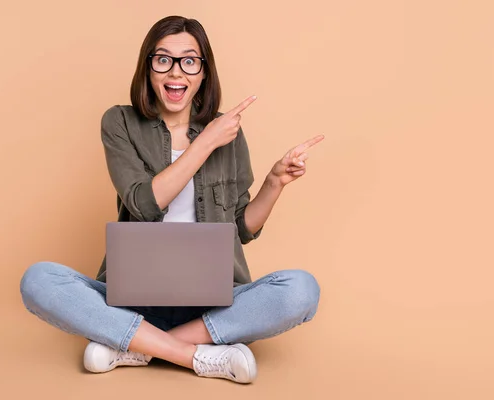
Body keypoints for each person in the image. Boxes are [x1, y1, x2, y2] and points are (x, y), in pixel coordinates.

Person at [19, 15, 324, 384]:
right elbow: (144, 204)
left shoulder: (228, 129)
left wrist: (275, 182)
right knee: (38, 280)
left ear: (203, 72)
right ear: (148, 68)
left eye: (189, 60)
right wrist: (207, 141)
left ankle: (133, 345)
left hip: (214, 302)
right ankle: (197, 355)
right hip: (133, 300)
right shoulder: (120, 122)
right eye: (163, 59)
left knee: (301, 289)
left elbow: (242, 228)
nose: (175, 71)